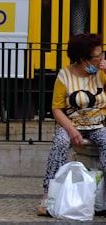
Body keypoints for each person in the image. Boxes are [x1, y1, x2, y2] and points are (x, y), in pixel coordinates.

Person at [37, 32, 106, 216]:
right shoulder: (64, 75)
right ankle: (48, 196)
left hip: (97, 125)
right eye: (98, 55)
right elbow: (57, 108)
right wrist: (70, 129)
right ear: (84, 60)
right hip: (71, 124)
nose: (101, 58)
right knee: (60, 143)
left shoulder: (102, 74)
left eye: (102, 54)